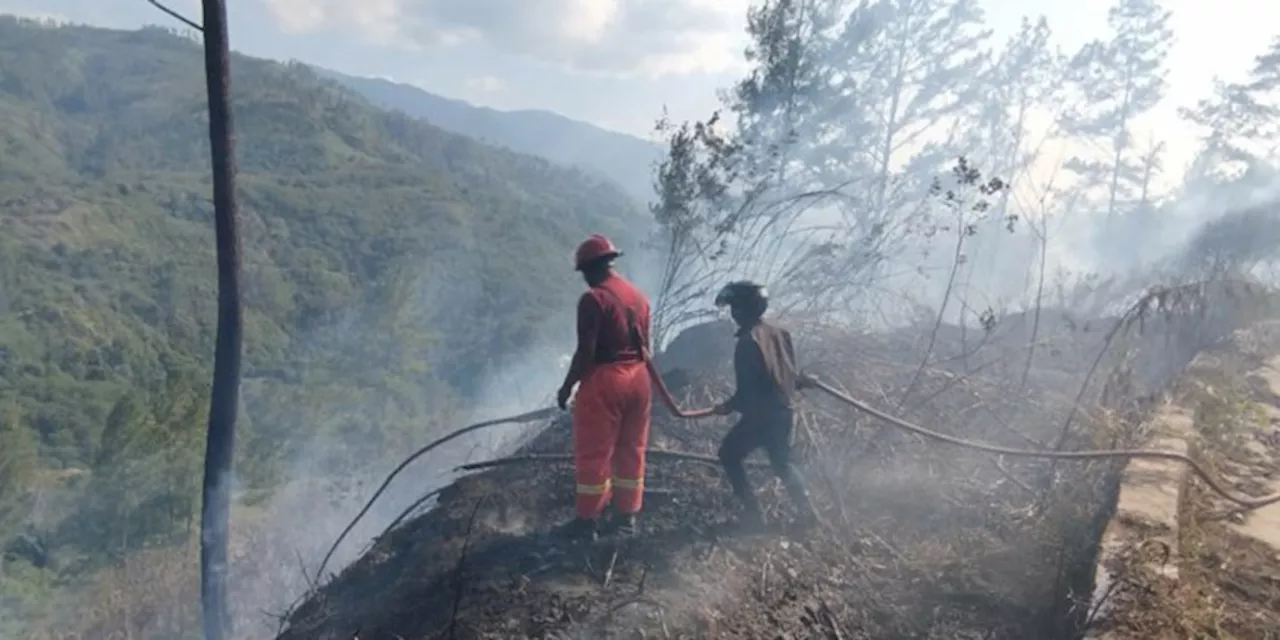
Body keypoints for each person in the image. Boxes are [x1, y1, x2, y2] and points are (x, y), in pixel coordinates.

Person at [554, 234, 653, 542]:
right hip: (639, 378)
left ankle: (587, 521)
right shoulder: (638, 296)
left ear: (590, 268)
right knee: (632, 449)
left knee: (594, 453)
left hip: (606, 381)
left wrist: (567, 386)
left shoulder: (594, 299)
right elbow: (645, 345)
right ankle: (626, 518)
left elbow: (586, 352)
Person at [711, 280, 817, 530]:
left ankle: (752, 515)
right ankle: (807, 513)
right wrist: (803, 381)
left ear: (741, 310)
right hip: (783, 412)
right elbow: (787, 376)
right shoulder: (780, 333)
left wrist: (727, 406)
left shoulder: (748, 342)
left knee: (728, 454)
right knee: (782, 463)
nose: (733, 313)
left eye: (734, 307)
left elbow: (748, 391)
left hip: (761, 417)